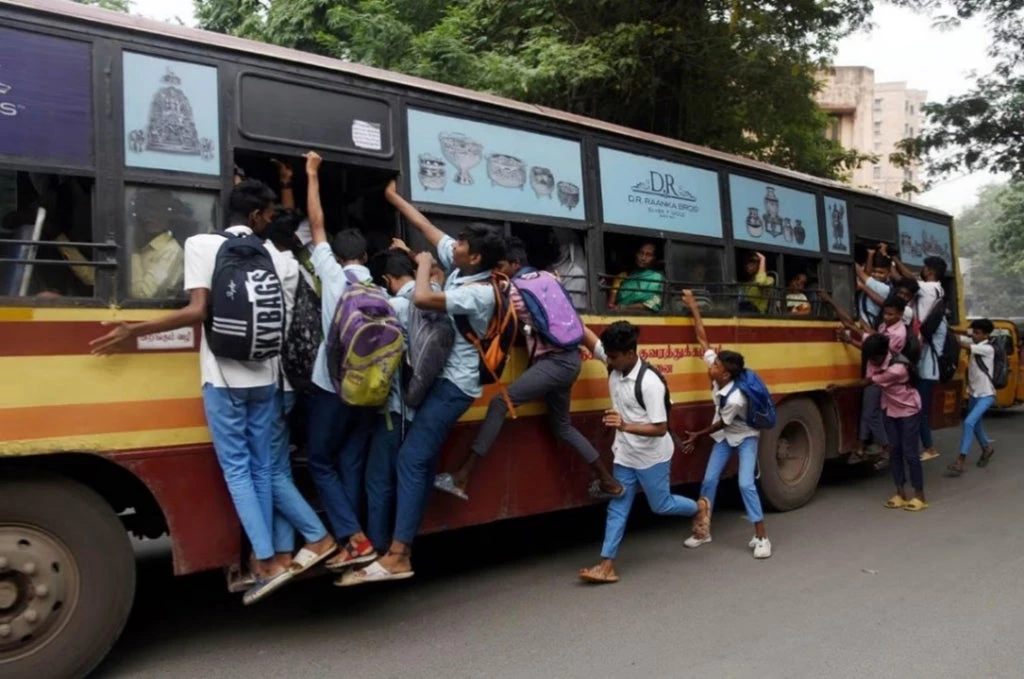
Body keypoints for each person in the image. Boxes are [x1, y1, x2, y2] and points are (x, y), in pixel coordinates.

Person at [90, 179, 297, 604]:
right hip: (264, 376)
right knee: (262, 468)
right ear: (256, 217)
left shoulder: (202, 244)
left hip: (223, 379)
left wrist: (135, 329)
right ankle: (275, 558)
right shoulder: (273, 254)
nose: (269, 221)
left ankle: (263, 560)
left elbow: (197, 310)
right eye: (268, 215)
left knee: (237, 470)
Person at [339, 179, 503, 585]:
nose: (454, 244)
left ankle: (400, 554)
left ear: (474, 257)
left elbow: (425, 299)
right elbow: (428, 229)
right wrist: (393, 197)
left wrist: (423, 265)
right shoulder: (467, 267)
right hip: (440, 380)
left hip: (454, 388)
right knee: (419, 457)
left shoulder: (481, 291)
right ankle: (402, 542)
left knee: (411, 458)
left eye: (461, 244)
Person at [433, 237, 622, 502]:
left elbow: (486, 310)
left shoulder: (512, 291)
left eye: (500, 266)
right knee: (563, 427)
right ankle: (608, 481)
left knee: (500, 403)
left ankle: (462, 475)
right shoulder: (547, 278)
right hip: (570, 360)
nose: (497, 271)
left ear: (515, 263)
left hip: (553, 364)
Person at [577, 320, 710, 583]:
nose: (610, 362)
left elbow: (660, 428)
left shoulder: (650, 384)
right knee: (617, 507)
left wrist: (625, 425)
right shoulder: (614, 359)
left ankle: (698, 507)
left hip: (652, 457)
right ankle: (607, 565)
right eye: (609, 357)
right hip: (625, 455)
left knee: (661, 505)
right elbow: (589, 338)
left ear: (630, 353)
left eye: (614, 357)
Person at [301, 151, 379, 572]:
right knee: (350, 460)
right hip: (372, 391)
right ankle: (358, 538)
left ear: (340, 254)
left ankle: (352, 537)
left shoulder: (331, 275)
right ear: (366, 258)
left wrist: (311, 174)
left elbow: (316, 225)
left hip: (333, 386)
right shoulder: (379, 289)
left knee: (320, 462)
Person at [260, 207, 338, 574]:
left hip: (275, 380)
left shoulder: (269, 265)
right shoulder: (302, 267)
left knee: (267, 468)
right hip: (296, 380)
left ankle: (315, 536)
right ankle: (282, 549)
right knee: (278, 466)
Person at [681, 290, 772, 558]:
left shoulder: (735, 397)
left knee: (745, 484)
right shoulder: (719, 375)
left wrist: (697, 434)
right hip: (724, 437)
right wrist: (693, 307)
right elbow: (702, 339)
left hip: (744, 436)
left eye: (716, 364)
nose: (711, 364)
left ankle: (762, 537)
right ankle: (703, 531)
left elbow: (721, 423)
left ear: (726, 373)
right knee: (709, 480)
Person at [363, 248, 425, 554]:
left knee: (379, 480)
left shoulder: (395, 305)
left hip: (394, 408)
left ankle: (378, 544)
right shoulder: (431, 295)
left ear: (388, 279)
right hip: (421, 404)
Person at [821, 291, 908, 466]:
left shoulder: (896, 336)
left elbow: (868, 345)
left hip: (879, 377)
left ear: (900, 314)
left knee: (871, 415)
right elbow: (866, 339)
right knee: (867, 413)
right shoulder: (884, 329)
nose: (886, 317)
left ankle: (887, 449)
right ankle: (861, 448)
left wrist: (833, 302)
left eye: (890, 314)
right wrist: (852, 335)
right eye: (885, 313)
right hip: (873, 374)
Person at [889, 247, 948, 461]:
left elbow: (909, 280)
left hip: (927, 365)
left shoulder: (930, 287)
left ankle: (928, 447)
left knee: (919, 408)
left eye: (924, 268)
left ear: (930, 271)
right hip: (927, 362)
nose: (921, 271)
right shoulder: (938, 290)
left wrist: (894, 258)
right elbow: (902, 280)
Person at [859, 333, 926, 510]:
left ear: (883, 353)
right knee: (894, 452)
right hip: (890, 410)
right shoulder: (878, 359)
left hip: (909, 410)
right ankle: (900, 492)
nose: (872, 362)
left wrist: (840, 387)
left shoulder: (897, 368)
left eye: (874, 358)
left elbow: (867, 381)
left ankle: (919, 495)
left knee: (910, 453)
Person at [947, 318, 997, 477]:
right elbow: (967, 335)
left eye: (977, 333)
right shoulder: (978, 341)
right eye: (973, 332)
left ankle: (960, 461)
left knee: (969, 422)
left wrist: (944, 332)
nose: (973, 335)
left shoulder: (987, 348)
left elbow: (964, 344)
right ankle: (986, 448)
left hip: (986, 394)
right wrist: (951, 329)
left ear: (986, 335)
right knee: (976, 425)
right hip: (974, 393)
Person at [128, 189, 188, 299]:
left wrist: (134, 250)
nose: (151, 216)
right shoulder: (146, 247)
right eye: (147, 210)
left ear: (169, 215)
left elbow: (143, 295)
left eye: (158, 210)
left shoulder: (171, 250)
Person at [608, 241, 665, 312]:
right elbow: (611, 305)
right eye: (641, 253)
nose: (643, 258)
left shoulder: (657, 277)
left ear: (654, 258)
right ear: (636, 254)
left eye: (649, 255)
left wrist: (624, 308)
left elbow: (653, 303)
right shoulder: (623, 276)